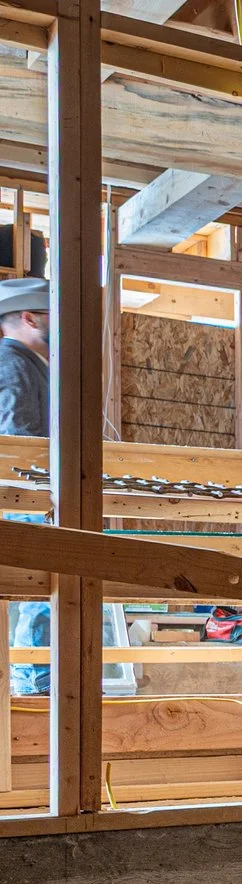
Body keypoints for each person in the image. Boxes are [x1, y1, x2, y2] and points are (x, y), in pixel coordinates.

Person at [0, 277, 50, 694]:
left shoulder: (30, 364)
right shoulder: (12, 361)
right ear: (30, 317)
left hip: (35, 492)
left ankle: (38, 674)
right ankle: (34, 677)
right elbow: (17, 435)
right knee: (42, 581)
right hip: (25, 492)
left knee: (46, 584)